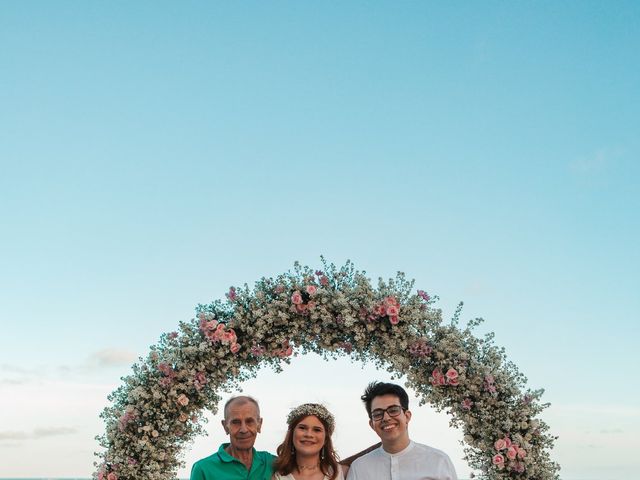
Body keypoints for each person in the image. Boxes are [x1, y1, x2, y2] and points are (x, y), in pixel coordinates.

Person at [346, 382, 458, 480]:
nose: (386, 418)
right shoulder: (359, 469)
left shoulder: (438, 461)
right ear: (372, 424)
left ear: (407, 416)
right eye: (378, 414)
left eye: (393, 410)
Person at [190, 395, 275, 480]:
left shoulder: (272, 462)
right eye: (236, 422)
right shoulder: (203, 469)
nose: (243, 430)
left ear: (259, 425)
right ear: (225, 427)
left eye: (249, 421)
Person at [273, 403, 345, 480]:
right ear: (291, 434)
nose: (309, 434)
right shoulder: (277, 476)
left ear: (326, 439)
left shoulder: (342, 472)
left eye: (317, 430)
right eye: (302, 428)